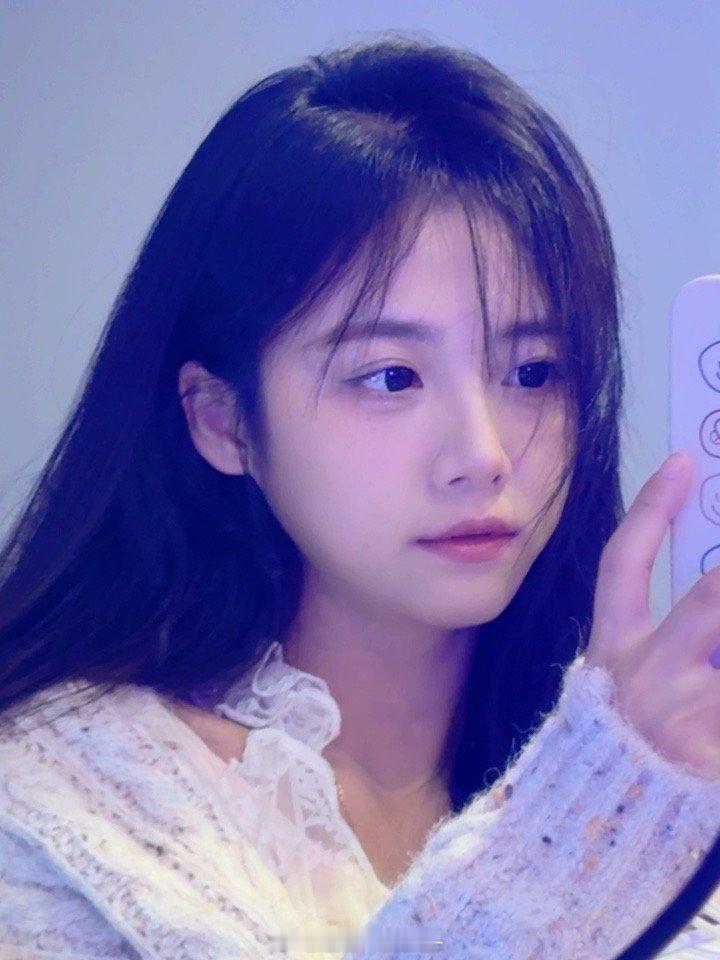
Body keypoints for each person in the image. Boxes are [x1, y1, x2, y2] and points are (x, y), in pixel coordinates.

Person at [1, 31, 720, 959]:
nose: (482, 455)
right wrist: (605, 802)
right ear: (223, 420)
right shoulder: (65, 819)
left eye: (534, 371)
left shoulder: (668, 780)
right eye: (390, 377)